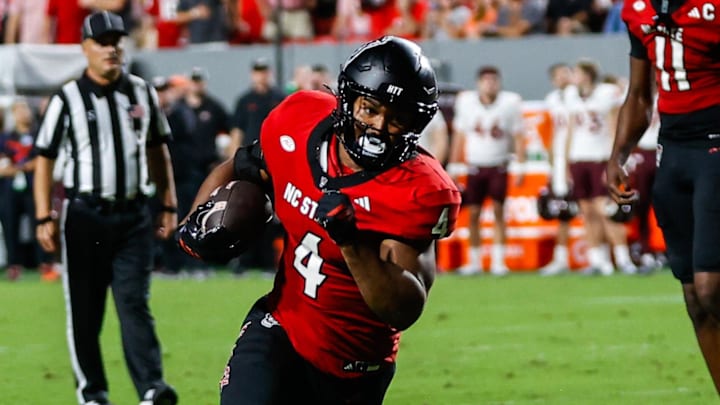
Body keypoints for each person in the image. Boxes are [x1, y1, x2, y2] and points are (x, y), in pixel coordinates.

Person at [177, 36, 461, 404]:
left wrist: (351, 242)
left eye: (397, 118)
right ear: (347, 99)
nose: (378, 126)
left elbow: (402, 308)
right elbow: (241, 165)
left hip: (356, 364)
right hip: (281, 327)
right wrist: (193, 226)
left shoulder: (420, 189)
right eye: (370, 108)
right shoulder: (300, 119)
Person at [32, 12, 178, 405]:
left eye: (117, 40)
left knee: (134, 303)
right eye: (102, 41)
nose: (111, 48)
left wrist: (168, 203)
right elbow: (43, 159)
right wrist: (44, 214)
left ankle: (152, 388)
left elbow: (157, 149)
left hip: (132, 215)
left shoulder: (141, 92)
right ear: (85, 48)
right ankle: (92, 392)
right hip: (85, 216)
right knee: (86, 310)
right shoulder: (68, 98)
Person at [607, 0, 720, 394]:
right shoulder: (636, 10)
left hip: (715, 145)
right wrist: (619, 154)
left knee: (711, 286)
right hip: (671, 150)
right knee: (694, 298)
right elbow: (639, 94)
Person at [448, 65, 526, 276]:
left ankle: (498, 261)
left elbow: (519, 136)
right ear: (479, 83)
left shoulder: (510, 103)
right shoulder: (466, 103)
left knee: (499, 211)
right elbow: (459, 135)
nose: (490, 84)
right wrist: (454, 164)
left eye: (494, 80)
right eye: (486, 80)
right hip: (475, 165)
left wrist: (520, 164)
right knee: (473, 213)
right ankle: (474, 261)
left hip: (499, 163)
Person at [538, 62, 574, 276]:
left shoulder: (578, 95)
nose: (563, 78)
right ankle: (561, 258)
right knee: (563, 209)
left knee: (592, 206)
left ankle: (605, 256)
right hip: (560, 160)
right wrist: (552, 159)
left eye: (566, 73)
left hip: (582, 156)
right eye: (558, 75)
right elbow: (549, 132)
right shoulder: (552, 100)